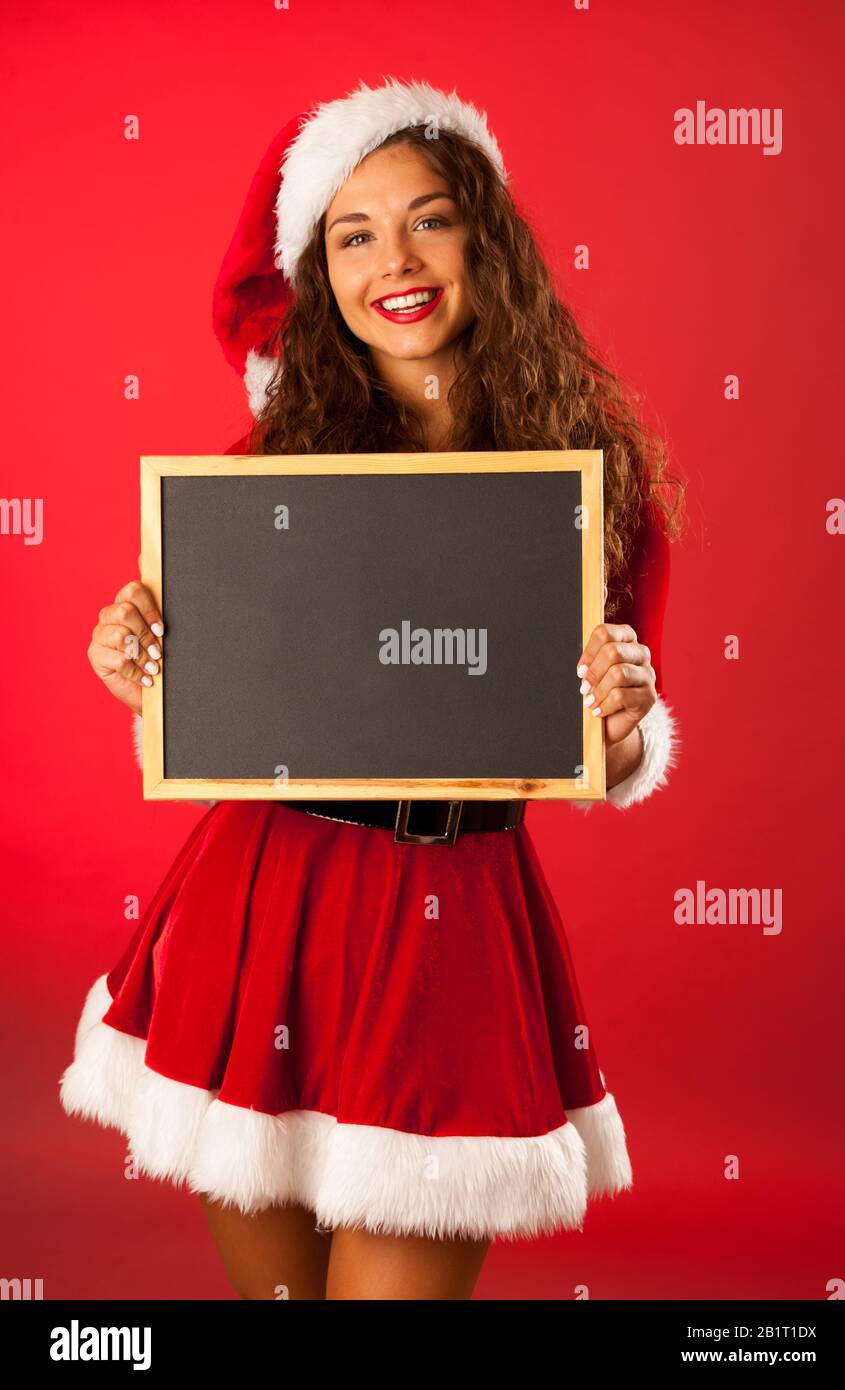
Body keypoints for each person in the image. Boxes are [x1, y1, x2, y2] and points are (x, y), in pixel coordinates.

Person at [60, 77, 684, 1301]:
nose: (392, 259)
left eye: (427, 218)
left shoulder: (594, 484)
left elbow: (607, 757)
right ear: (318, 271)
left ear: (482, 243)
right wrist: (135, 653)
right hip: (262, 912)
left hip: (446, 933)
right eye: (352, 234)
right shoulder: (267, 470)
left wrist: (623, 716)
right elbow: (211, 703)